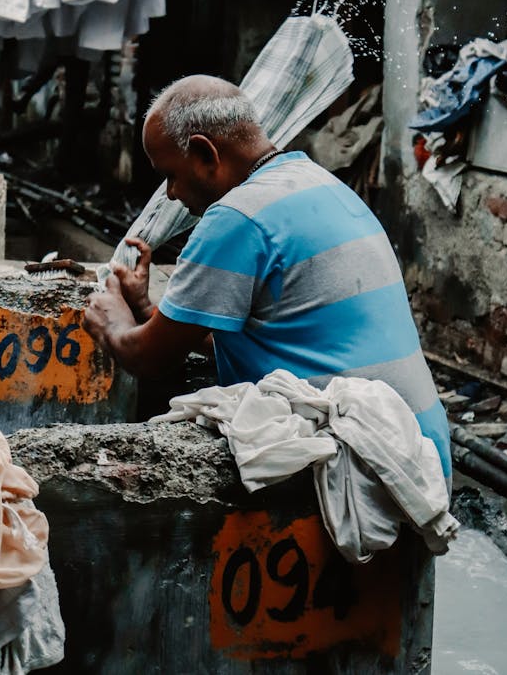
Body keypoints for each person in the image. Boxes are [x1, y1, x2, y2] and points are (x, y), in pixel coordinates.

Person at [84, 74, 452, 478]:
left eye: (170, 174)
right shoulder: (318, 182)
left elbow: (149, 358)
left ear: (206, 154)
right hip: (422, 452)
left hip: (367, 467)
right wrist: (146, 307)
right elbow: (263, 336)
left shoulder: (235, 217)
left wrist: (113, 319)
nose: (170, 193)